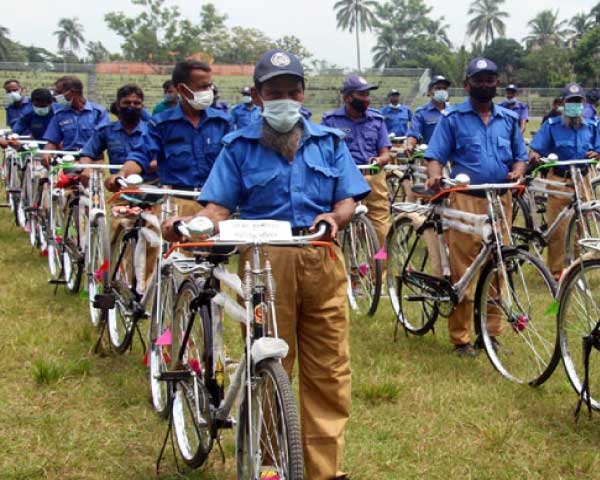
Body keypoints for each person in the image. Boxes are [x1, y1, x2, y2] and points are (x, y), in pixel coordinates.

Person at [162, 49, 369, 480]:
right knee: (269, 367)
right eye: (274, 93)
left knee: (329, 370)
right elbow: (219, 207)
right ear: (257, 96)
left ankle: (322, 472)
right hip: (264, 263)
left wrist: (335, 216)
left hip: (321, 256)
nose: (285, 100)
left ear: (303, 93)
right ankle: (272, 466)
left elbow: (347, 198)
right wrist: (194, 224)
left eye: (292, 91)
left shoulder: (329, 142)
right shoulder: (239, 147)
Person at [423, 57, 527, 357]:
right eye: (478, 80)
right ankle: (461, 338)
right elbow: (436, 156)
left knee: (498, 267)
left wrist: (518, 170)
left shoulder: (508, 119)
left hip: (501, 199)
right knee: (464, 271)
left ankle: (490, 334)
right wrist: (434, 175)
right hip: (467, 199)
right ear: (468, 84)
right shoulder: (453, 118)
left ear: (497, 83)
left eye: (490, 79)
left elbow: (520, 155)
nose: (485, 84)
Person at [108, 59, 231, 219]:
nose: (209, 91)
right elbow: (141, 156)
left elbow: (235, 161)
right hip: (177, 203)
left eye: (209, 86)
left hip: (216, 205)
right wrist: (123, 173)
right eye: (202, 87)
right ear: (182, 89)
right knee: (161, 240)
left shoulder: (222, 122)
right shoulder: (161, 124)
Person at [80, 84, 160, 289]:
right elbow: (88, 153)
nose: (132, 107)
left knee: (153, 235)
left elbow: (165, 157)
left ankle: (143, 283)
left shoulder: (152, 130)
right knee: (119, 228)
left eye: (136, 103)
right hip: (123, 189)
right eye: (127, 103)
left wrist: (148, 165)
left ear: (143, 106)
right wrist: (87, 169)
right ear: (118, 105)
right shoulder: (106, 131)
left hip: (152, 187)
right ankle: (115, 274)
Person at [528, 82, 600, 277]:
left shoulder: (592, 126)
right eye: (571, 101)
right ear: (563, 103)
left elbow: (598, 149)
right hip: (559, 181)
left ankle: (578, 268)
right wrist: (535, 155)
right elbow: (536, 148)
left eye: (578, 101)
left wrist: (596, 154)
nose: (575, 105)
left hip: (583, 179)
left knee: (581, 226)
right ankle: (556, 272)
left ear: (584, 103)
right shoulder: (552, 126)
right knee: (559, 229)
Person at [321, 75, 392, 247]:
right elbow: (323, 152)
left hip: (372, 177)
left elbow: (385, 153)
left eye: (368, 94)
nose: (366, 99)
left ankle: (379, 270)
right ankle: (346, 268)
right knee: (340, 224)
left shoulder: (377, 120)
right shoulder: (331, 121)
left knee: (380, 226)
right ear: (347, 98)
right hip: (344, 180)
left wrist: (379, 160)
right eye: (361, 95)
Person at [43, 76, 109, 154]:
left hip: (93, 160)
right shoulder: (59, 115)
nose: (56, 97)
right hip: (69, 159)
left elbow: (103, 139)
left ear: (72, 92)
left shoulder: (99, 113)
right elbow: (52, 140)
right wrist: (46, 153)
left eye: (59, 93)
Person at [405, 75, 451, 155]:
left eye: (444, 88)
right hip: (431, 156)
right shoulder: (421, 113)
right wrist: (410, 145)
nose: (442, 91)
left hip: (452, 157)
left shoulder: (453, 112)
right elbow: (414, 133)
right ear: (430, 91)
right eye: (438, 88)